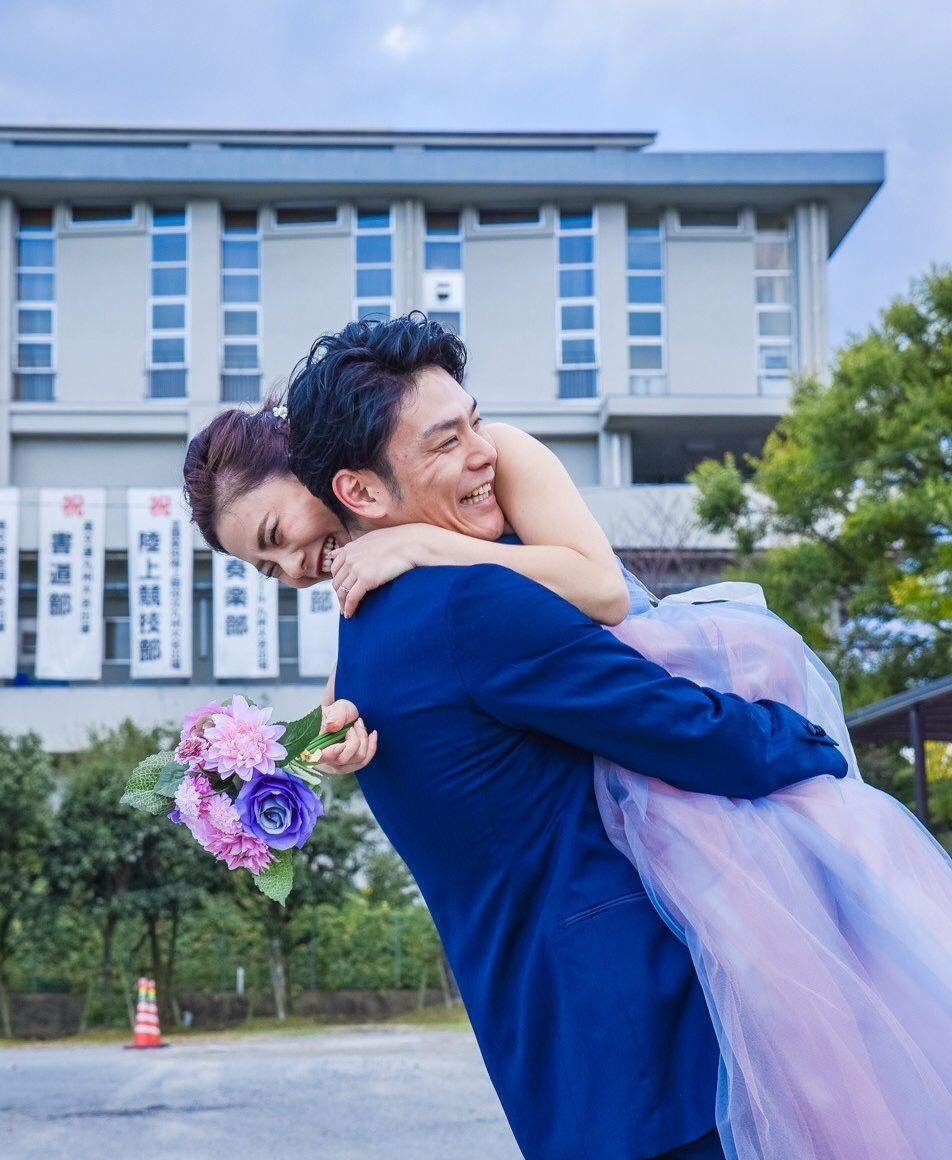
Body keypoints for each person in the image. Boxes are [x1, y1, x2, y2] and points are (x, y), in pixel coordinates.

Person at [184, 316, 851, 1160]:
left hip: (566, 1029)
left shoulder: (471, 500)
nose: (290, 569)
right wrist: (309, 752)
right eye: (263, 566)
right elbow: (677, 731)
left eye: (278, 537)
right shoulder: (400, 608)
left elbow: (604, 593)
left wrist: (425, 542)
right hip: (632, 1029)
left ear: (326, 480)